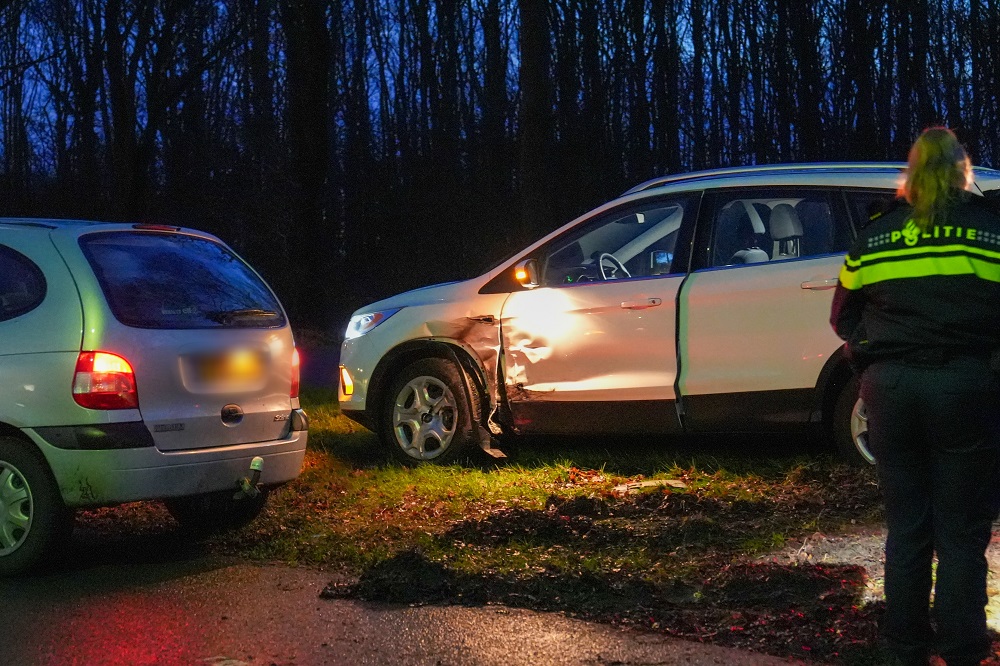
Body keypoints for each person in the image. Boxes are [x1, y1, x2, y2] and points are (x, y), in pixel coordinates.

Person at [831, 127, 1000, 666]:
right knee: (962, 528)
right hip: (965, 387)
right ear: (963, 170)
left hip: (891, 390)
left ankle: (903, 647)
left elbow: (842, 317)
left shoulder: (875, 235)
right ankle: (962, 647)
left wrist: (871, 357)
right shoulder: (991, 232)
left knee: (907, 527)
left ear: (910, 172)